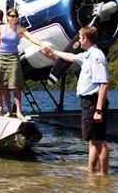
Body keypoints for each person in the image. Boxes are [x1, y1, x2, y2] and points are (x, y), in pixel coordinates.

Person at [44, 26, 110, 175]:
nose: (78, 40)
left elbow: (104, 84)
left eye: (80, 37)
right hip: (88, 103)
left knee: (99, 140)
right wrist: (52, 52)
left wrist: (98, 110)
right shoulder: (86, 55)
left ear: (85, 39)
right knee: (93, 140)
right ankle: (91, 172)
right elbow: (70, 57)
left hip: (94, 103)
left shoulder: (96, 56)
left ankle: (104, 175)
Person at [0, 8, 48, 121]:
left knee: (16, 86)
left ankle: (18, 111)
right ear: (7, 17)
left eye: (16, 16)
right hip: (1, 58)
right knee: (3, 86)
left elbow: (31, 37)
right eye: (12, 16)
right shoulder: (1, 28)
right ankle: (8, 110)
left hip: (13, 58)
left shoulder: (20, 29)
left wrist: (42, 45)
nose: (14, 18)